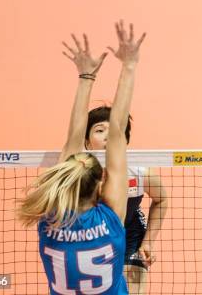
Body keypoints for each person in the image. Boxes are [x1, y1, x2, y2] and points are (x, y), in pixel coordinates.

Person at [18, 21, 145, 294]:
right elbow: (116, 139)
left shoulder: (51, 217)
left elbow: (77, 143)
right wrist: (129, 65)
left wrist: (86, 77)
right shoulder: (110, 219)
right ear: (100, 183)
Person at [85, 106, 168, 294]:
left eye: (115, 131)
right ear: (87, 143)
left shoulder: (138, 173)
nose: (108, 136)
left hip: (129, 233)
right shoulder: (78, 175)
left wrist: (148, 242)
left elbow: (162, 199)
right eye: (99, 130)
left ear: (125, 140)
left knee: (133, 286)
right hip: (92, 236)